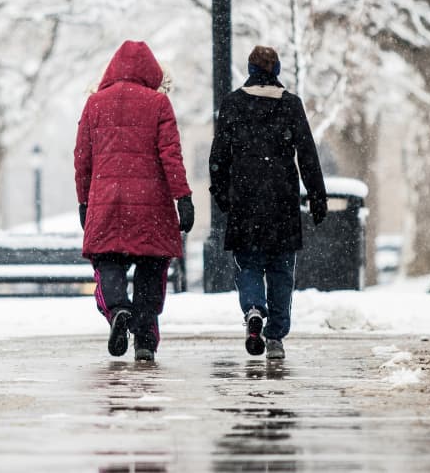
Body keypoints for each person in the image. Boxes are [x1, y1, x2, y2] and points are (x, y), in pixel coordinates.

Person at [75, 40, 195, 362]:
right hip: (151, 203)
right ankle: (144, 340)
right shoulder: (158, 104)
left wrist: (84, 202)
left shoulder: (94, 104)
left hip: (108, 202)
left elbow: (82, 159)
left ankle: (117, 310)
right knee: (151, 267)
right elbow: (171, 154)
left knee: (108, 261)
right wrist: (182, 196)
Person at [209, 45, 328, 361]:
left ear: (249, 70)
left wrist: (223, 196)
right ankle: (275, 336)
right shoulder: (290, 105)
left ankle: (252, 309)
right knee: (281, 270)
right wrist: (317, 198)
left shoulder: (233, 105)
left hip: (245, 199)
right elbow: (307, 156)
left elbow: (218, 156)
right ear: (277, 71)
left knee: (248, 264)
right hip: (282, 199)